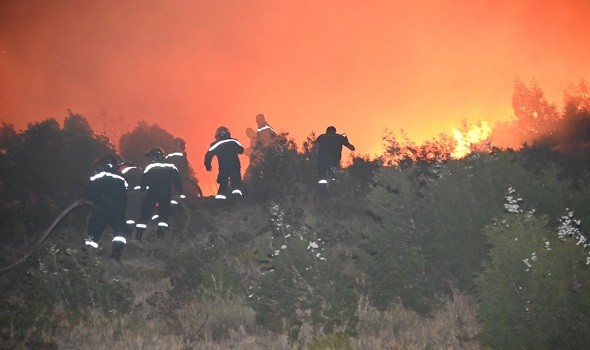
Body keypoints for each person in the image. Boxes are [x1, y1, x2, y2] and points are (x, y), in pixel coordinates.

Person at [84, 154, 128, 263]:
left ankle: (86, 257)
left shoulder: (97, 176)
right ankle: (115, 255)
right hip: (117, 210)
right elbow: (124, 194)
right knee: (120, 233)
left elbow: (90, 192)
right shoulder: (121, 177)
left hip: (100, 210)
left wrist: (89, 200)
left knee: (93, 234)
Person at [135, 147, 183, 241]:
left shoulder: (150, 167)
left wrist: (142, 190)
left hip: (152, 194)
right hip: (166, 194)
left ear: (154, 157)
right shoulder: (171, 166)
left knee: (145, 213)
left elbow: (144, 181)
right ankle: (161, 235)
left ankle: (139, 234)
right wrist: (180, 192)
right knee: (164, 214)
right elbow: (177, 180)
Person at [204, 126, 244, 199]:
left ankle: (221, 199)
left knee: (223, 181)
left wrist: (208, 165)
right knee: (236, 180)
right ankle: (237, 198)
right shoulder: (234, 141)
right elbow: (241, 150)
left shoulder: (215, 144)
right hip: (235, 165)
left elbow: (208, 155)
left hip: (223, 166)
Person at [116, 158, 143, 236]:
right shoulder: (138, 170)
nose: (119, 169)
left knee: (127, 214)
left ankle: (127, 232)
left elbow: (125, 186)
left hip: (134, 195)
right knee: (133, 214)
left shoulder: (126, 173)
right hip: (143, 195)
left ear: (122, 166)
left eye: (119, 167)